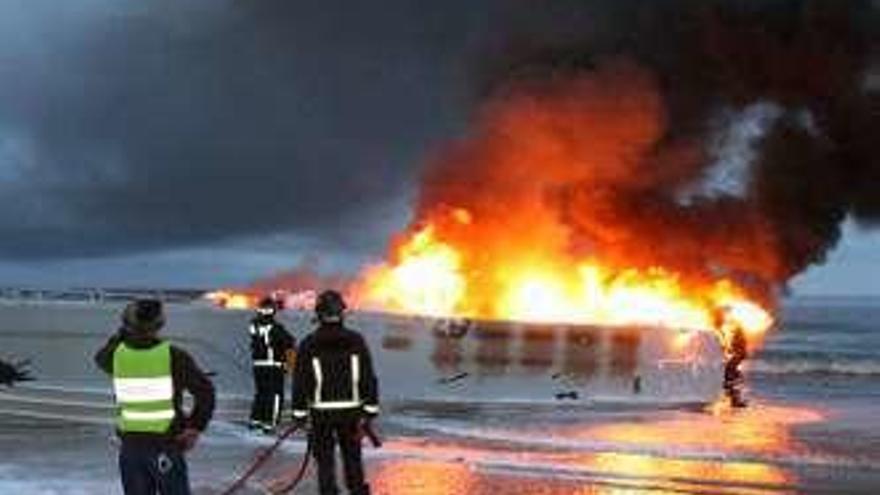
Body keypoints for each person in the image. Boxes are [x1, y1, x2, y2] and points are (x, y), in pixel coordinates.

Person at [94, 299, 215, 495]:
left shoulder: (113, 355)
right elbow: (206, 392)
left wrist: (125, 330)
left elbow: (102, 356)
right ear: (159, 324)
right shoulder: (174, 356)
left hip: (131, 447)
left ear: (127, 323)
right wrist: (195, 427)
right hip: (165, 444)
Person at [291, 290, 379, 495]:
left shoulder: (308, 343)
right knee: (352, 459)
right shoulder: (356, 340)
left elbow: (300, 381)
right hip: (351, 413)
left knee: (325, 462)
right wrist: (370, 411)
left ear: (319, 314)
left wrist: (299, 414)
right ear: (342, 313)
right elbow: (368, 378)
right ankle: (357, 491)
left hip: (321, 414)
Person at [248, 296, 296, 433]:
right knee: (275, 395)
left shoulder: (254, 325)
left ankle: (255, 420)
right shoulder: (275, 328)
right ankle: (270, 423)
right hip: (273, 365)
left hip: (258, 365)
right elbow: (290, 342)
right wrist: (290, 365)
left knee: (261, 393)